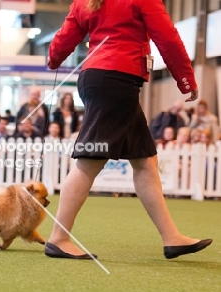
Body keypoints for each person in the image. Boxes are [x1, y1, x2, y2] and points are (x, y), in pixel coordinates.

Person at [46, 0, 211, 259]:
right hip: (118, 79)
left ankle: (172, 238)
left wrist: (54, 58)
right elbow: (167, 37)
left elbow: (66, 35)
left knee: (145, 161)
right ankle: (58, 238)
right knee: (89, 160)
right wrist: (185, 78)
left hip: (96, 77)